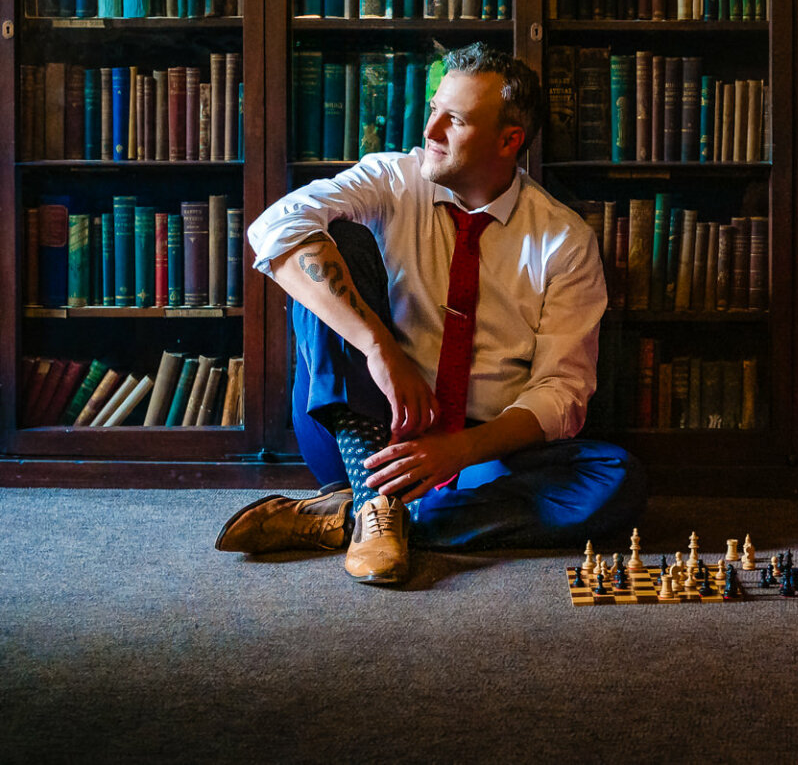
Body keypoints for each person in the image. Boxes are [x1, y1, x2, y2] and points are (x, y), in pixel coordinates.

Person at [218, 43, 644, 585]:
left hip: (476, 454)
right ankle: (374, 495)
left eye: (455, 119)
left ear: (509, 140)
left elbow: (562, 391)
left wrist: (457, 449)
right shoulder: (392, 179)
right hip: (365, 428)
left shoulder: (563, 240)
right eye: (432, 109)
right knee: (324, 244)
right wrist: (380, 349)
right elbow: (275, 226)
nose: (431, 129)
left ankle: (357, 515)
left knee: (615, 480)